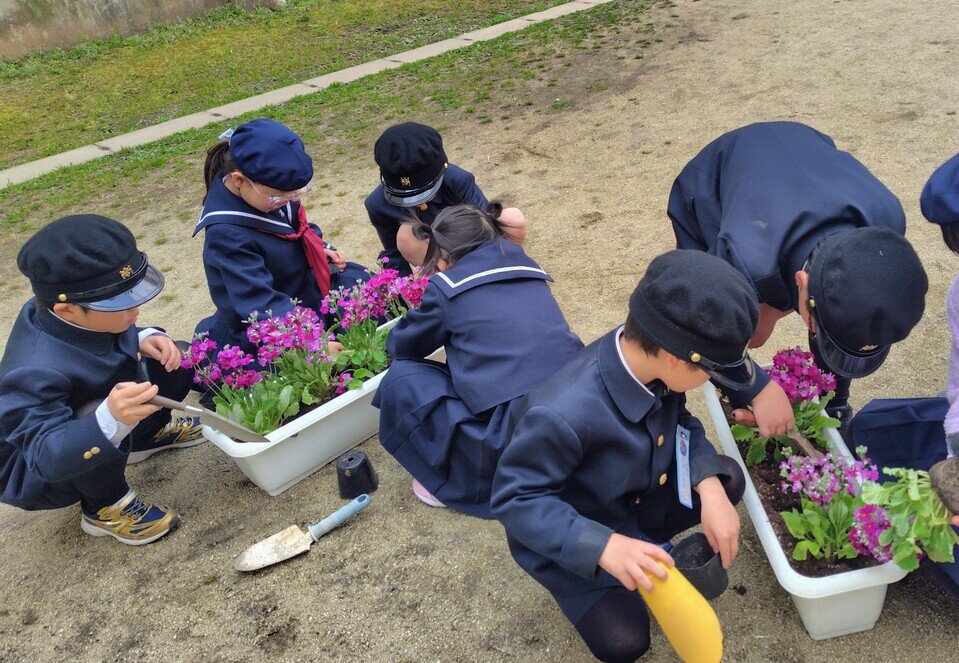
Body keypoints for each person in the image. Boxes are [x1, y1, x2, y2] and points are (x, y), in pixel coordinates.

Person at [491, 250, 751, 662]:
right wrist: (604, 547)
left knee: (726, 478)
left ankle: (650, 535)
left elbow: (680, 422)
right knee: (625, 642)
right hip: (587, 525)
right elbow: (515, 500)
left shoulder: (650, 354)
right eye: (709, 372)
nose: (709, 382)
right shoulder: (560, 414)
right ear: (675, 358)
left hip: (639, 497)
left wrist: (709, 485)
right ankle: (611, 563)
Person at [668, 121, 928, 439]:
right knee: (727, 327)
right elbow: (700, 324)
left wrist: (776, 313)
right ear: (801, 281)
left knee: (828, 321)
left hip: (805, 150)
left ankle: (834, 403)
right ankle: (722, 407)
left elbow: (845, 311)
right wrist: (754, 388)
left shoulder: (886, 224)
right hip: (713, 180)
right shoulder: (738, 260)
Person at [0, 215, 203, 545]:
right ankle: (104, 506)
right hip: (42, 465)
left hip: (94, 400)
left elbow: (96, 333)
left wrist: (142, 336)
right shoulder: (32, 369)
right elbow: (45, 455)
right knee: (94, 415)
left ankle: (148, 436)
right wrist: (108, 419)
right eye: (120, 304)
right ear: (67, 311)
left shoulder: (73, 302)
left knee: (175, 355)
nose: (135, 311)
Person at [373, 203, 582, 518]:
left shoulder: (447, 287)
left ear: (442, 258)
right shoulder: (527, 268)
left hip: (515, 434)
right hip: (577, 404)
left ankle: (451, 478)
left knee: (403, 378)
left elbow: (403, 344)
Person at [194, 118, 369, 353]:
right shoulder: (226, 234)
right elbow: (259, 302)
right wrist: (311, 342)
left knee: (370, 296)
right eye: (279, 197)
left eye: (297, 193)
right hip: (272, 316)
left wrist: (318, 246)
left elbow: (293, 227)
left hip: (302, 287)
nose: (290, 200)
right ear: (239, 180)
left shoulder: (270, 193)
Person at [365, 122, 527, 274]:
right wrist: (403, 292)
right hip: (432, 257)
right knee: (406, 236)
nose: (420, 203)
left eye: (425, 191)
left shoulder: (458, 180)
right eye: (406, 194)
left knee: (512, 220)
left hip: (468, 243)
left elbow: (485, 228)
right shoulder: (376, 205)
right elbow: (394, 255)